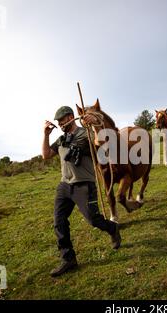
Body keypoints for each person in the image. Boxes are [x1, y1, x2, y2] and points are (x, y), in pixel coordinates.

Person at [42, 106, 121, 277]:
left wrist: (94, 125)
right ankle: (68, 258)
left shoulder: (85, 134)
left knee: (93, 220)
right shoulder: (62, 138)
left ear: (70, 117)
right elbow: (46, 155)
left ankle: (112, 228)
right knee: (59, 221)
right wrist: (46, 135)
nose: (60, 124)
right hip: (64, 185)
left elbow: (100, 143)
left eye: (61, 120)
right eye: (58, 122)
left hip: (84, 184)